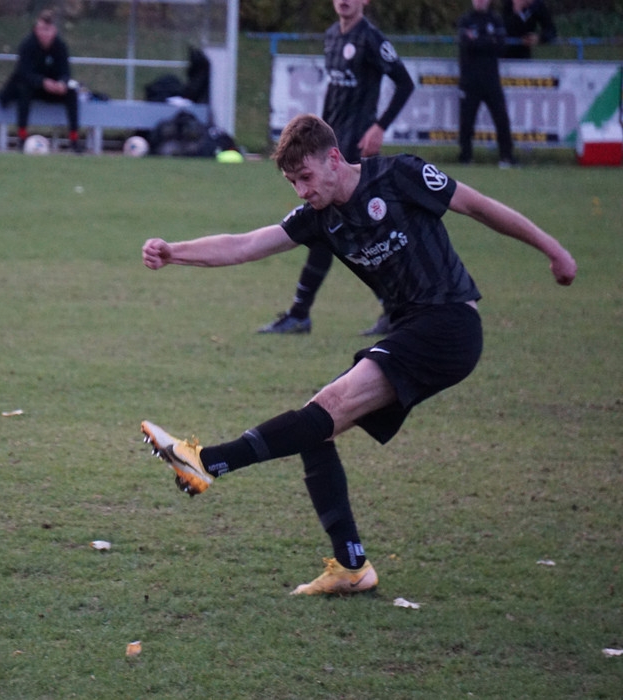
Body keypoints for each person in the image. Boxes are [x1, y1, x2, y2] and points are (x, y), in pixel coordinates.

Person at [140, 113, 575, 595]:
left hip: (448, 324)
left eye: (305, 177)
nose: (301, 191)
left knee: (324, 410)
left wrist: (552, 249)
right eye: (292, 182)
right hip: (412, 330)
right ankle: (352, 567)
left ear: (333, 159)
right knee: (315, 428)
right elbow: (245, 245)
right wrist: (174, 252)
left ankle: (207, 462)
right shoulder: (319, 216)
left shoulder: (400, 175)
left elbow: (478, 206)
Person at [259, 0, 414, 337]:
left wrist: (379, 127)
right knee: (335, 228)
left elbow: (405, 83)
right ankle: (389, 308)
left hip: (353, 152)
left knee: (337, 228)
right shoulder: (331, 36)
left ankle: (303, 313)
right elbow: (334, 92)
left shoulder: (371, 39)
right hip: (330, 146)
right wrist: (317, 134)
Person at [0, 10, 83, 153]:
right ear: (36, 30)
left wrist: (62, 83)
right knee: (24, 89)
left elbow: (65, 71)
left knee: (71, 93)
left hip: (52, 90)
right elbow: (23, 72)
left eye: (48, 30)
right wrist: (43, 82)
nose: (45, 34)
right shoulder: (27, 45)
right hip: (33, 88)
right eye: (42, 29)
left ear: (54, 31)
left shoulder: (60, 46)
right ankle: (22, 137)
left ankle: (74, 140)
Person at [458, 0, 515, 167]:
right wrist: (488, 40)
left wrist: (478, 40)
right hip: (470, 80)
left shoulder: (495, 20)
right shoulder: (465, 20)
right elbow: (466, 45)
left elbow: (501, 47)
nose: (480, 2)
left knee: (501, 118)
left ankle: (506, 157)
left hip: (491, 80)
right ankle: (466, 157)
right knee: (467, 121)